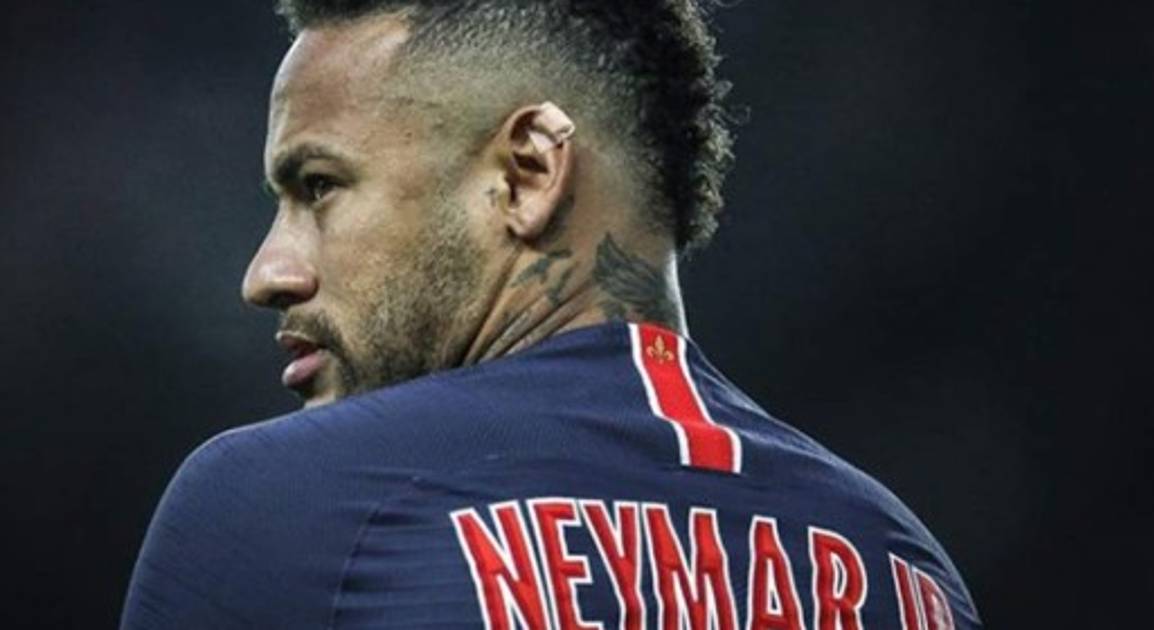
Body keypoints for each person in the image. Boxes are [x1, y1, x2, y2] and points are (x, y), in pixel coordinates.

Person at [121, 1, 982, 628]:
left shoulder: (279, 509)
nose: (267, 273)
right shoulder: (906, 569)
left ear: (528, 172)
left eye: (319, 188)